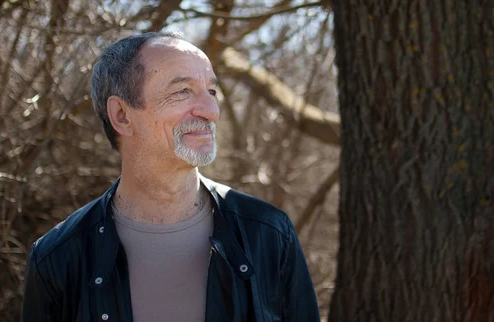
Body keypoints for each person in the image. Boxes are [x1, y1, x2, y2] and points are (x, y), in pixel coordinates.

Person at [21, 32, 320, 321]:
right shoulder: (57, 259)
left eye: (212, 91)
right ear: (122, 115)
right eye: (182, 91)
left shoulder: (269, 234)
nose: (211, 110)